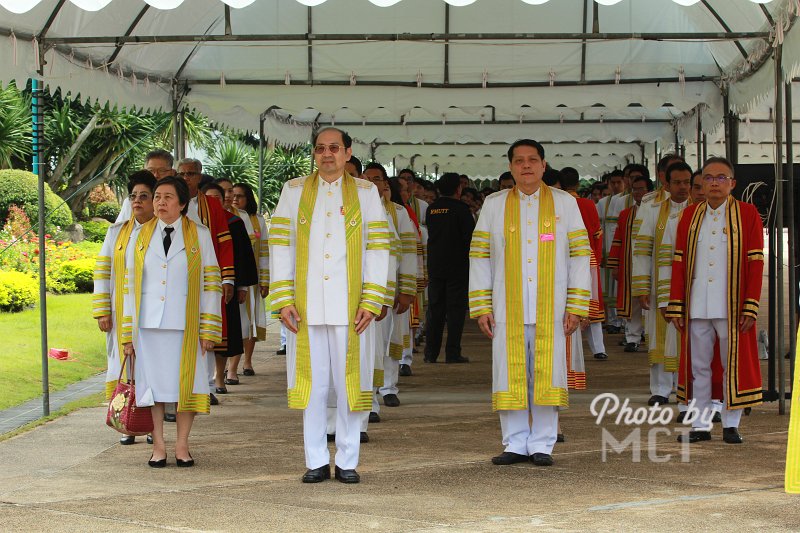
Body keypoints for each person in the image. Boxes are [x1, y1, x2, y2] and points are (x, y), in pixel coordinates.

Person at [269, 127, 390, 484]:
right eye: (320, 148)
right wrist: (283, 300)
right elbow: (280, 246)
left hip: (351, 307)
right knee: (312, 385)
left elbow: (378, 248)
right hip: (305, 309)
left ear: (348, 153)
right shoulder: (292, 191)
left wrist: (371, 299)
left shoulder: (367, 194)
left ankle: (349, 460)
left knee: (350, 383)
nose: (327, 154)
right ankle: (316, 460)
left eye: (334, 148)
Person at [469, 139, 591, 467]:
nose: (526, 166)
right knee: (510, 374)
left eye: (532, 160)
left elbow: (581, 254)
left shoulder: (565, 203)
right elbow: (479, 256)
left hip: (552, 306)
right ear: (510, 166)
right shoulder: (494, 205)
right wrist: (481, 305)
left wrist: (577, 305)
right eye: (519, 160)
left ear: (543, 164)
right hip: (506, 306)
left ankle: (542, 444)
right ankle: (514, 442)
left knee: (546, 374)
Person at [121, 177, 222, 467]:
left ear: (181, 203)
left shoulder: (199, 234)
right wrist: (128, 333)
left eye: (167, 197)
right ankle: (159, 447)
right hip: (148, 325)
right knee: (152, 387)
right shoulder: (139, 236)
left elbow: (212, 283)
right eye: (157, 197)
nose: (160, 202)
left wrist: (209, 327)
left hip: (185, 324)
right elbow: (129, 286)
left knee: (185, 388)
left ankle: (182, 445)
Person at [666, 157, 764, 444]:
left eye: (721, 178)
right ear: (702, 184)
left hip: (731, 304)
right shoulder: (690, 216)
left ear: (732, 183)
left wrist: (750, 303)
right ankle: (700, 423)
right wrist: (676, 303)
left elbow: (756, 261)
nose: (714, 183)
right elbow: (679, 261)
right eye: (708, 178)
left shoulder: (747, 213)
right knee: (699, 366)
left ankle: (731, 424)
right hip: (697, 303)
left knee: (730, 364)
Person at [94, 170, 157, 446]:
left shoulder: (164, 231)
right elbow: (102, 271)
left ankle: (153, 426)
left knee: (152, 369)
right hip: (121, 314)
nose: (137, 201)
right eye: (133, 196)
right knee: (124, 367)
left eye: (144, 196)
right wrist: (102, 309)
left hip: (153, 314)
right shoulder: (117, 232)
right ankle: (127, 423)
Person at [633, 161, 691, 406]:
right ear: (666, 184)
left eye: (687, 182)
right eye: (676, 182)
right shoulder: (651, 207)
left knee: (687, 336)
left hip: (689, 285)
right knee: (658, 335)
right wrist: (642, 286)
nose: (682, 187)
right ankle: (660, 389)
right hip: (660, 283)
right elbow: (642, 249)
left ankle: (685, 389)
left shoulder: (700, 208)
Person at [365, 163, 417, 408]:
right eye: (367, 179)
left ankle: (388, 387)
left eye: (377, 179)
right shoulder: (355, 211)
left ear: (385, 184)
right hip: (361, 291)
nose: (372, 183)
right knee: (369, 347)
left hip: (390, 289)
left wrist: (407, 289)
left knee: (388, 341)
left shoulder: (398, 211)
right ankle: (370, 402)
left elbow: (408, 251)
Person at [200, 182, 257, 400]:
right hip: (201, 287)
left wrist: (240, 285)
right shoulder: (195, 223)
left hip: (226, 285)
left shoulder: (233, 221)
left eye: (217, 197)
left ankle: (219, 378)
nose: (213, 202)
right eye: (209, 198)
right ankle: (204, 383)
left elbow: (242, 257)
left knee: (223, 335)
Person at [424, 172, 475, 364]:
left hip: (436, 266)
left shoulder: (431, 209)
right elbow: (470, 239)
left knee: (435, 310)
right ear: (458, 189)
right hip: (457, 267)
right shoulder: (462, 210)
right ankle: (452, 353)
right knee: (455, 311)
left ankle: (431, 353)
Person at [559, 167, 606, 360]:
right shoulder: (587, 204)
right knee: (591, 302)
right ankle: (599, 348)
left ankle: (567, 347)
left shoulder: (558, 203)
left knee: (565, 303)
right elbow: (597, 235)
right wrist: (596, 257)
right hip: (588, 259)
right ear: (578, 183)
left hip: (562, 260)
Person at [226, 182, 269, 381]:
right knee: (237, 322)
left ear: (248, 198)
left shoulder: (258, 220)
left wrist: (265, 280)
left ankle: (247, 361)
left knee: (250, 322)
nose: (235, 199)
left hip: (251, 280)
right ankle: (229, 368)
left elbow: (264, 253)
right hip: (232, 278)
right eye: (232, 195)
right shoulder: (227, 218)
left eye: (240, 196)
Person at [608, 175, 653, 353]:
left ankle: (650, 339)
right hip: (630, 265)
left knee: (651, 305)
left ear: (650, 191)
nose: (638, 193)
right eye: (635, 189)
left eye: (641, 189)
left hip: (651, 266)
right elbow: (617, 240)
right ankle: (632, 338)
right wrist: (615, 265)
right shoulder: (626, 215)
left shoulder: (657, 211)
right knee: (633, 304)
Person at [596, 169, 625, 334]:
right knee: (609, 287)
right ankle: (614, 320)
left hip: (621, 249)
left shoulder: (627, 200)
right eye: (612, 183)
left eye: (618, 182)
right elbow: (600, 228)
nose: (615, 186)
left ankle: (624, 321)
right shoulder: (603, 203)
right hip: (607, 249)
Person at [114, 149, 176, 223]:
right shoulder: (132, 201)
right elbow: (120, 229)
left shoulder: (180, 200)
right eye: (151, 171)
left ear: (172, 173)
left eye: (161, 171)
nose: (155, 175)